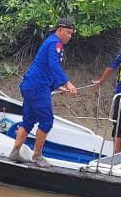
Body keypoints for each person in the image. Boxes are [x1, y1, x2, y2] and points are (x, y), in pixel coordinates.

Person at [9, 19, 79, 167]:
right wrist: (66, 82)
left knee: (28, 120)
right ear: (59, 30)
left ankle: (15, 151)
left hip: (31, 85)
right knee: (47, 121)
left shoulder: (50, 42)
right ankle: (37, 155)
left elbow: (45, 68)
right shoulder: (55, 43)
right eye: (68, 33)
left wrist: (57, 86)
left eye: (71, 34)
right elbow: (53, 65)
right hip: (37, 87)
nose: (69, 36)